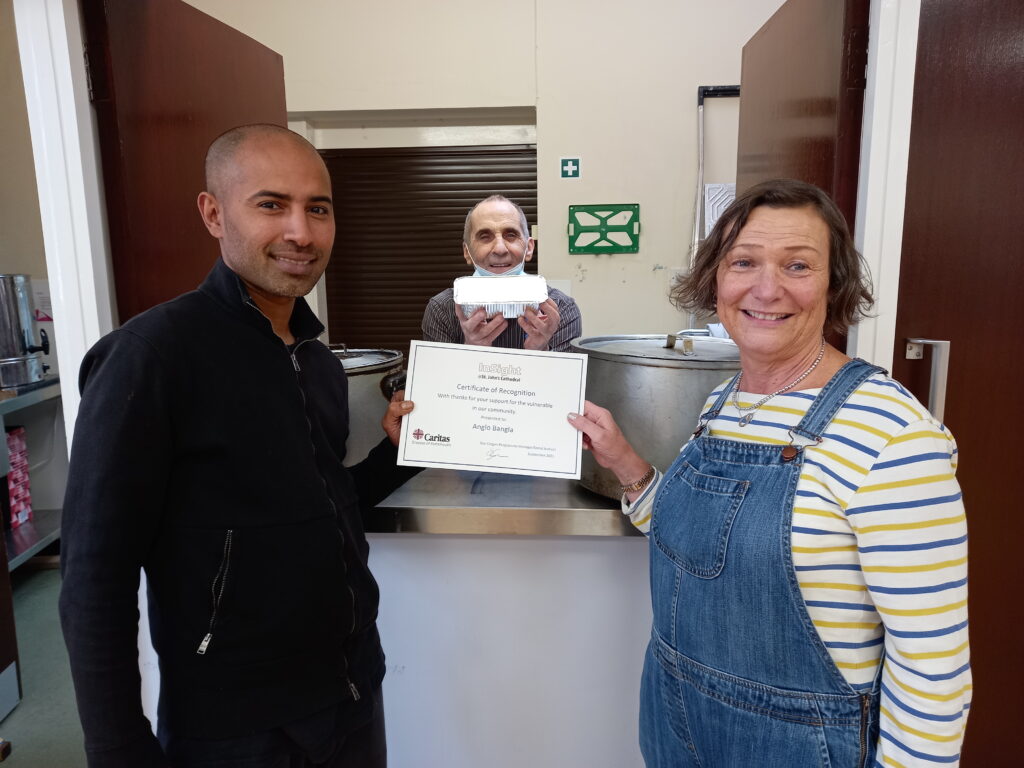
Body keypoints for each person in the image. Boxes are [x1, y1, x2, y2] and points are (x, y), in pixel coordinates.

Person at [568, 179, 970, 767]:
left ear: (835, 284)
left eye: (798, 265)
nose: (766, 287)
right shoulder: (723, 402)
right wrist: (628, 467)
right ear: (715, 279)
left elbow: (932, 669)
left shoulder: (893, 435)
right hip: (674, 720)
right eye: (744, 262)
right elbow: (702, 549)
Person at [59, 124, 418, 768]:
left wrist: (401, 450)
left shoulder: (318, 362)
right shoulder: (151, 358)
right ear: (212, 213)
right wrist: (117, 748)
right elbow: (94, 577)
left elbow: (328, 507)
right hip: (233, 729)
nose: (300, 233)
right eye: (271, 204)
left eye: (318, 208)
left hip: (353, 695)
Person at [421, 195, 582, 352]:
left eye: (511, 235)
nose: (500, 249)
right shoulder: (442, 309)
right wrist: (470, 349)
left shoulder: (561, 310)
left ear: (529, 248)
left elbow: (563, 378)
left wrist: (540, 351)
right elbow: (438, 377)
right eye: (485, 236)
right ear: (467, 252)